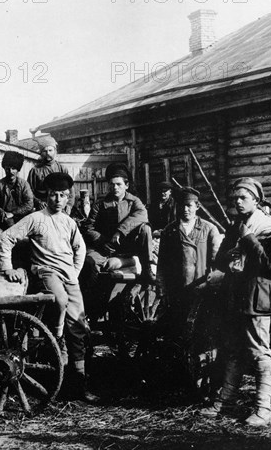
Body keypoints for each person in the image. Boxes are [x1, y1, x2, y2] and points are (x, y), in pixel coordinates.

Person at [0, 172, 99, 403]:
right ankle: (57, 337)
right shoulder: (36, 218)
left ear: (67, 199)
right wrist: (8, 268)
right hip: (46, 272)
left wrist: (74, 271)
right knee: (60, 301)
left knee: (80, 327)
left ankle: (79, 383)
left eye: (62, 196)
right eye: (54, 195)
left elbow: (80, 248)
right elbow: (6, 238)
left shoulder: (69, 221)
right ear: (47, 196)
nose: (58, 199)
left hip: (68, 275)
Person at [200, 178, 271, 426]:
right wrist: (231, 254)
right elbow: (219, 261)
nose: (237, 202)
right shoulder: (236, 226)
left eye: (243, 198)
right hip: (237, 295)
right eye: (235, 198)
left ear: (256, 201)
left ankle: (263, 409)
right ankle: (227, 402)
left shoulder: (268, 227)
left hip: (258, 297)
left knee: (259, 352)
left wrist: (248, 239)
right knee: (232, 349)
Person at [81, 163, 155, 298]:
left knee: (145, 228)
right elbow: (88, 227)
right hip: (103, 248)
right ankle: (94, 299)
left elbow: (142, 214)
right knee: (89, 263)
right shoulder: (100, 205)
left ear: (126, 185)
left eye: (119, 184)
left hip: (127, 246)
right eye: (112, 184)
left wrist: (120, 231)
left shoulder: (134, 202)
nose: (115, 187)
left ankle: (147, 269)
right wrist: (103, 242)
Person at [156, 187, 221, 332]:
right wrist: (162, 289)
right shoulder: (169, 231)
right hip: (176, 291)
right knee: (176, 331)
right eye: (181, 205)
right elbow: (162, 264)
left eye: (189, 205)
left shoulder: (209, 229)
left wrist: (209, 284)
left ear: (197, 206)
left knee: (199, 331)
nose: (185, 209)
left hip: (200, 290)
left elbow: (217, 262)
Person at [27, 135, 74, 213]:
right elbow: (29, 192)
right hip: (43, 207)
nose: (48, 153)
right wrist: (38, 202)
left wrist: (69, 205)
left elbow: (71, 190)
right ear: (41, 153)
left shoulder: (62, 169)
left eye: (50, 150)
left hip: (60, 206)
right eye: (45, 151)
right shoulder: (35, 171)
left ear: (55, 151)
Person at [0, 151, 34, 231]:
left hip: (22, 215)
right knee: (9, 225)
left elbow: (29, 204)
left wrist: (13, 213)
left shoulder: (24, 184)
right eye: (7, 169)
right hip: (5, 218)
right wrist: (2, 212)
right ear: (4, 169)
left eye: (13, 168)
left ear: (18, 169)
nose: (10, 172)